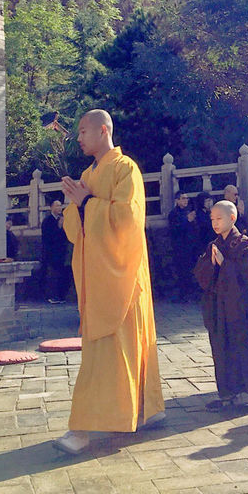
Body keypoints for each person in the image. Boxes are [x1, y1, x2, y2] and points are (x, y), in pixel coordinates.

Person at [55, 109, 165, 454]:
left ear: (104, 130)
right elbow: (77, 232)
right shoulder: (88, 173)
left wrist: (87, 201)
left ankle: (82, 430)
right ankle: (139, 412)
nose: (79, 137)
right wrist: (75, 205)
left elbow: (127, 219)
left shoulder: (125, 168)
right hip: (98, 277)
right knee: (107, 353)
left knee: (114, 352)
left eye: (84, 130)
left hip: (122, 275)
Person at [194, 200, 248, 411]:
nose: (215, 223)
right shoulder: (215, 244)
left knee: (243, 348)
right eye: (212, 219)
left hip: (241, 309)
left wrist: (223, 264)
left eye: (219, 218)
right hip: (220, 308)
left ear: (232, 218)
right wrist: (211, 263)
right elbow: (201, 275)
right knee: (222, 349)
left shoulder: (243, 243)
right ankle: (228, 392)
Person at [168, 192, 198, 300]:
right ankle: (183, 294)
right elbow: (175, 230)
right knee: (182, 271)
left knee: (191, 270)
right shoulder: (173, 214)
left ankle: (190, 293)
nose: (185, 201)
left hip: (190, 246)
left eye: (187, 199)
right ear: (177, 200)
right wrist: (187, 220)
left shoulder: (188, 211)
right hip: (180, 247)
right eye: (183, 198)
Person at [41, 199, 69, 304]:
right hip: (51, 253)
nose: (59, 208)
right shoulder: (47, 221)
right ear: (51, 207)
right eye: (56, 206)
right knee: (54, 275)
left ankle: (61, 296)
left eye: (60, 205)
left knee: (63, 274)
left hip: (62, 252)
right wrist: (59, 227)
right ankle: (54, 296)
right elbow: (48, 238)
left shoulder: (62, 219)